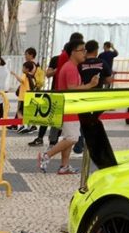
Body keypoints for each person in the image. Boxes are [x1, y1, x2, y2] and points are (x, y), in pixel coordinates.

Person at [37, 41, 100, 175]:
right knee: (72, 138)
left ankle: (64, 166)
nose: (84, 53)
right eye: (81, 50)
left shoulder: (70, 67)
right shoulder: (70, 68)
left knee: (69, 137)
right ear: (73, 52)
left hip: (70, 107)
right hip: (68, 107)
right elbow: (72, 89)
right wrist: (90, 85)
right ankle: (46, 155)